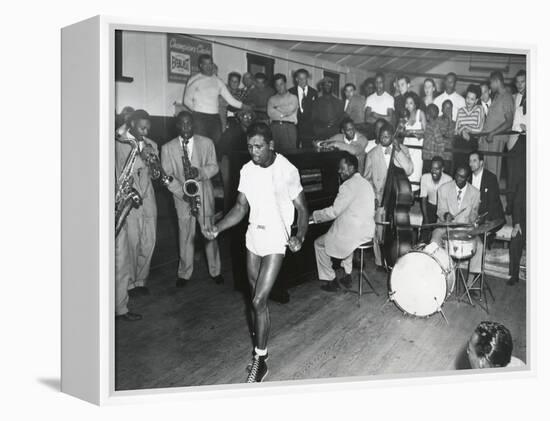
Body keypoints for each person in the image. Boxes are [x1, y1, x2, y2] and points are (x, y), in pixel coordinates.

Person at [203, 123, 309, 383]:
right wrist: (217, 228)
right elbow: (240, 208)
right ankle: (262, 352)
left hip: (276, 239)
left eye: (258, 146)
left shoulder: (287, 170)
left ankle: (260, 360)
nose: (253, 152)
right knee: (254, 301)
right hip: (254, 237)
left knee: (259, 301)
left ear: (271, 145)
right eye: (250, 146)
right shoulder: (247, 170)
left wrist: (300, 236)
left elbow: (304, 209)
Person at [161, 111, 223, 288]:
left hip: (204, 193)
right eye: (182, 124)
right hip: (181, 197)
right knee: (185, 235)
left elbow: (214, 167)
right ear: (177, 126)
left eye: (189, 124)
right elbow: (167, 176)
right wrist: (182, 193)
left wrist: (200, 172)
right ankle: (184, 273)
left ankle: (215, 270)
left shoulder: (207, 142)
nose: (186, 127)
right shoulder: (167, 148)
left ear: (193, 125)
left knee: (210, 233)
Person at [115, 110, 158, 321]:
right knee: (130, 242)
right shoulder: (120, 144)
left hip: (147, 195)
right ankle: (129, 284)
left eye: (148, 127)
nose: (146, 131)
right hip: (130, 196)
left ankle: (141, 280)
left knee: (149, 240)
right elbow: (123, 170)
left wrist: (152, 159)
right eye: (142, 127)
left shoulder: (151, 143)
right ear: (131, 124)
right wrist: (141, 156)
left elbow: (156, 171)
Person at [313, 154, 375, 292]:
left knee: (318, 243)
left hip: (354, 233)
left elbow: (334, 212)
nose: (339, 171)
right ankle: (347, 275)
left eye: (342, 168)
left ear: (352, 168)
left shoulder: (347, 186)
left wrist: (315, 216)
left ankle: (330, 279)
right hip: (367, 232)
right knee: (347, 239)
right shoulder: (366, 183)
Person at [364, 123, 414, 269]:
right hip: (380, 198)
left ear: (392, 136)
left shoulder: (403, 150)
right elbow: (366, 179)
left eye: (387, 136)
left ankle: (398, 259)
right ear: (379, 137)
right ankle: (380, 261)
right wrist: (372, 196)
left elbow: (409, 170)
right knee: (379, 232)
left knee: (396, 230)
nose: (384, 139)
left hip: (397, 198)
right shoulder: (372, 154)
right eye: (382, 136)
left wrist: (397, 150)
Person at [183, 54, 250, 149]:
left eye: (210, 63)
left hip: (214, 117)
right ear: (201, 65)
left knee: (215, 142)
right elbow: (186, 100)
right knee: (201, 145)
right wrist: (197, 110)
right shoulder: (194, 79)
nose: (208, 66)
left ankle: (212, 163)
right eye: (205, 64)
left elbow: (230, 99)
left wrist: (243, 106)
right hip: (199, 117)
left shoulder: (218, 81)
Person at [431, 166, 482, 276]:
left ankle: (471, 284)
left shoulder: (475, 193)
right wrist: (445, 215)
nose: (458, 178)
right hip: (446, 226)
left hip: (465, 228)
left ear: (468, 178)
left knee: (479, 245)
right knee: (434, 240)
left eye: (462, 177)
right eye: (457, 175)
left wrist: (474, 218)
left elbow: (474, 212)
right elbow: (440, 210)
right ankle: (439, 275)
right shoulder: (443, 189)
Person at [478, 71, 515, 181]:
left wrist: (492, 133)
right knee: (483, 172)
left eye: (491, 83)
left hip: (495, 139)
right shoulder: (497, 96)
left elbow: (509, 121)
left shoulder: (506, 97)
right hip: (487, 139)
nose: (490, 86)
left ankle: (492, 197)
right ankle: (484, 197)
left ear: (496, 81)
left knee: (492, 173)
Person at [218, 110, 256, 213]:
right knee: (230, 189)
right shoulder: (232, 131)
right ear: (239, 118)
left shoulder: (253, 132)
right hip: (230, 162)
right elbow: (222, 149)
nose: (248, 119)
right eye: (245, 116)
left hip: (245, 164)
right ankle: (228, 212)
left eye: (250, 117)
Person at [507, 70, 527, 214]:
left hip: (529, 140)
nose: (520, 85)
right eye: (518, 82)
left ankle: (521, 208)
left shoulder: (537, 96)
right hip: (514, 138)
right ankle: (510, 206)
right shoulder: (513, 97)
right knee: (512, 176)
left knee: (524, 177)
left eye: (523, 81)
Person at [468, 151, 504, 223]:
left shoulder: (491, 178)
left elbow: (493, 202)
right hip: (473, 215)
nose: (471, 164)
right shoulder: (468, 178)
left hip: (489, 216)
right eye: (470, 161)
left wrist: (484, 219)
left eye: (474, 161)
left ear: (481, 162)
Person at [454, 84, 485, 167]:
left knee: (471, 170)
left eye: (472, 99)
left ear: (476, 100)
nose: (468, 101)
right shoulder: (460, 110)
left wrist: (465, 127)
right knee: (459, 169)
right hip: (460, 144)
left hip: (472, 143)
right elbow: (456, 131)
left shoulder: (479, 109)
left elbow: (479, 129)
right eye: (467, 98)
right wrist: (462, 133)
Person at [401, 92, 426, 192]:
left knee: (416, 173)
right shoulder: (404, 115)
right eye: (406, 103)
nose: (408, 105)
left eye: (411, 103)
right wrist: (409, 133)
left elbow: (425, 131)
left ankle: (413, 196)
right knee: (406, 171)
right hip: (406, 147)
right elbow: (400, 132)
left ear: (415, 104)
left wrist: (411, 131)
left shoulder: (420, 113)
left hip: (417, 148)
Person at [267, 73, 299, 151]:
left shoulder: (293, 97)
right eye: (277, 85)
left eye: (281, 84)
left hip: (288, 128)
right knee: (274, 155)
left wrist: (277, 108)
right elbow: (270, 113)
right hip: (274, 128)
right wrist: (284, 114)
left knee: (289, 156)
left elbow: (290, 110)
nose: (279, 87)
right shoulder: (271, 99)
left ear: (285, 84)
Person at [288, 68, 318, 148]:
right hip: (295, 128)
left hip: (309, 129)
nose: (302, 81)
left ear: (307, 78)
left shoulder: (314, 92)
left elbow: (316, 112)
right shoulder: (290, 92)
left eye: (304, 78)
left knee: (308, 153)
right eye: (300, 78)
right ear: (296, 79)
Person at [420, 156, 452, 225]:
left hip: (443, 209)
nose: (433, 171)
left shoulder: (448, 180)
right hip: (429, 207)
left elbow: (450, 201)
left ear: (442, 169)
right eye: (432, 168)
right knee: (425, 232)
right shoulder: (425, 177)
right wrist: (425, 219)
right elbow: (423, 200)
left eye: (437, 169)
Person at [422, 104, 453, 172]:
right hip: (427, 157)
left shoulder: (434, 126)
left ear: (428, 114)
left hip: (431, 158)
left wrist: (438, 158)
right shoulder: (429, 125)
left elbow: (440, 142)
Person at [507, 170, 526, 286]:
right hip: (524, 221)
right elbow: (517, 203)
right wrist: (517, 224)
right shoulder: (525, 181)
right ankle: (514, 275)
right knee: (515, 242)